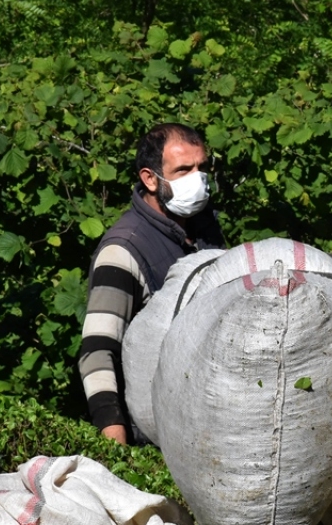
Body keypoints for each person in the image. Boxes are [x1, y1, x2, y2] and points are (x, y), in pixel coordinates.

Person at [78, 123, 224, 444]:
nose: (198, 180)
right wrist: (116, 447)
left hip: (206, 423)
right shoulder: (123, 250)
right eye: (184, 170)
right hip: (154, 435)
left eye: (202, 168)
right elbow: (97, 352)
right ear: (149, 178)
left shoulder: (204, 229)